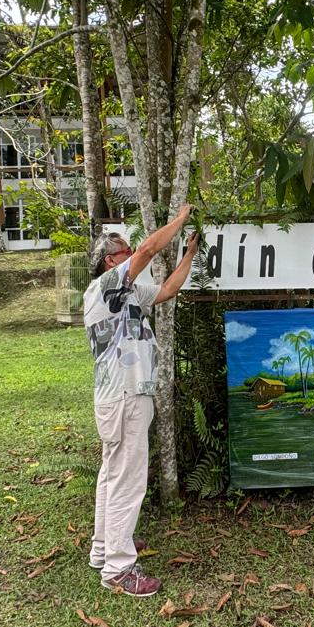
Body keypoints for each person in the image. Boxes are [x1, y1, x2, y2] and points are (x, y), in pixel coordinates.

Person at [82, 204, 199, 597]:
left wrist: (188, 256)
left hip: (126, 396)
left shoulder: (128, 294)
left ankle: (105, 548)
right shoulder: (104, 288)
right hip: (124, 397)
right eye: (125, 251)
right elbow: (148, 250)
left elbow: (168, 290)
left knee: (112, 476)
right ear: (109, 260)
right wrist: (179, 219)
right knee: (127, 481)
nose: (133, 255)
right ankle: (118, 568)